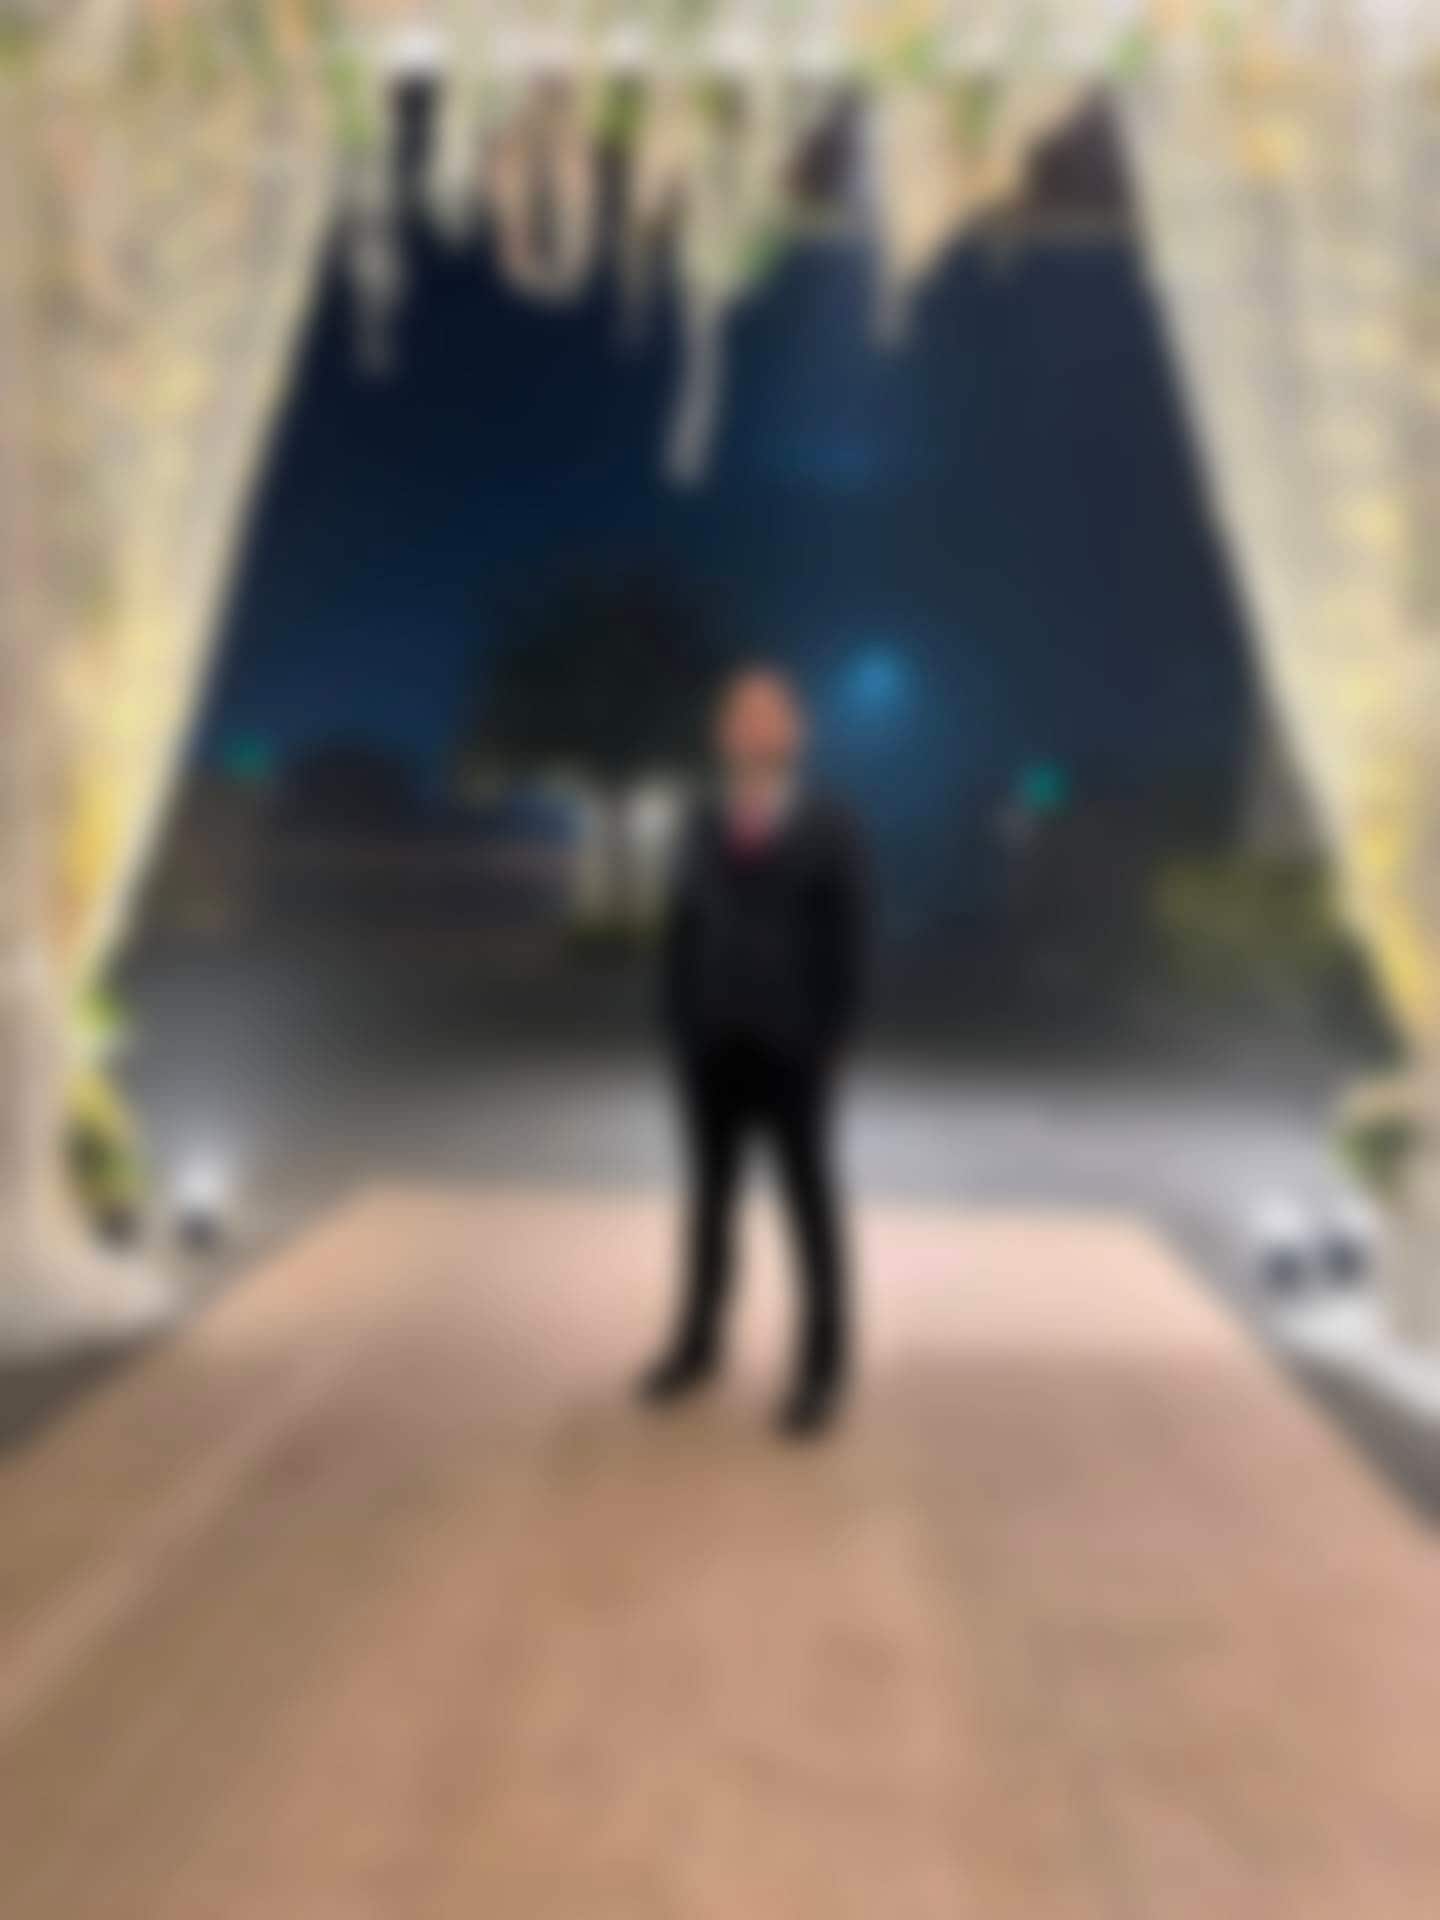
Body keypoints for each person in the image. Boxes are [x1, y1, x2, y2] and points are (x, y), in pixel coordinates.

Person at [637, 667, 868, 1439]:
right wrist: (677, 1025)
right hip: (710, 1046)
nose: (753, 726)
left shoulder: (831, 825)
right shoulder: (699, 822)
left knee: (809, 1207)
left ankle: (822, 1370)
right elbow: (680, 933)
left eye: (769, 714)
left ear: (795, 733)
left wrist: (835, 1038)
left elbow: (849, 941)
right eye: (739, 713)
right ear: (722, 732)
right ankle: (697, 1347)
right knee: (710, 1204)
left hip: (795, 1048)